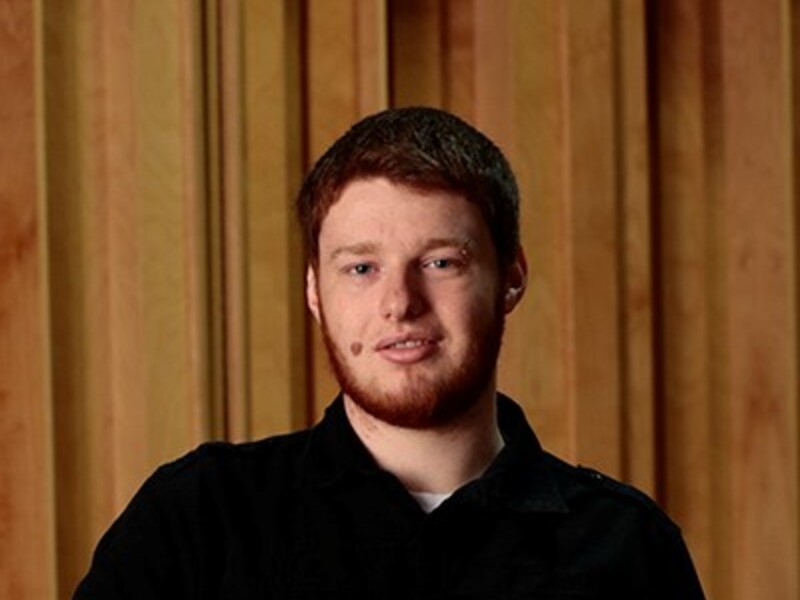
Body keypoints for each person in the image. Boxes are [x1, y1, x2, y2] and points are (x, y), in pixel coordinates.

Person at [75, 107, 705, 598]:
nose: (399, 303)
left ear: (511, 277)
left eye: (440, 262)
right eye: (361, 268)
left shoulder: (628, 548)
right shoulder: (197, 521)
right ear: (314, 290)